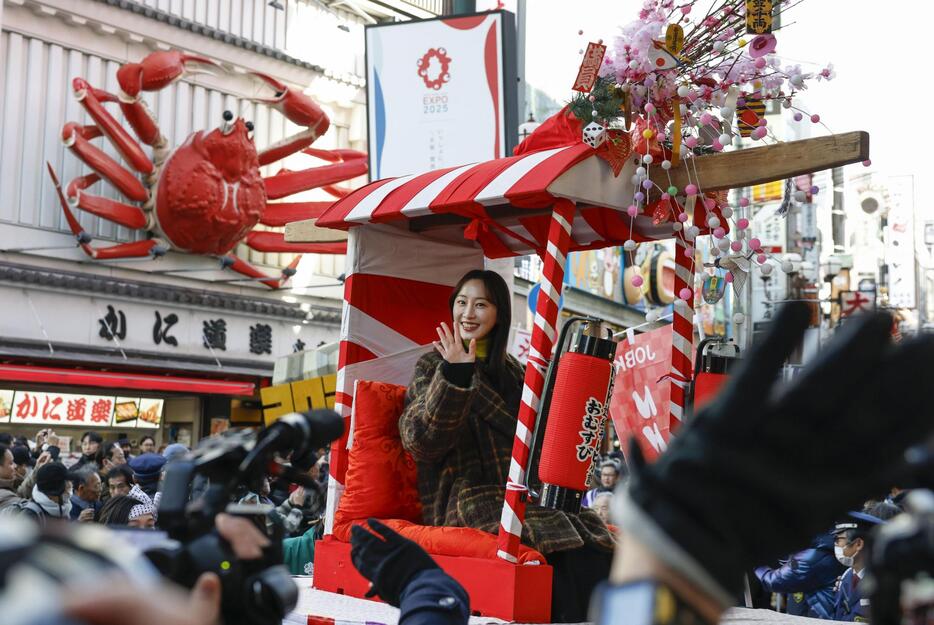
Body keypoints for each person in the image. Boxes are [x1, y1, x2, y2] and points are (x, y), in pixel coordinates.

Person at [398, 269, 614, 622]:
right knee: (566, 554)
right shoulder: (434, 363)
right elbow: (421, 442)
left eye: (480, 304)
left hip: (519, 496)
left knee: (594, 545)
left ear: (499, 313)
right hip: (466, 498)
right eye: (462, 303)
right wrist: (455, 375)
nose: (468, 314)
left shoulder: (514, 371)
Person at [753, 530, 844, 619]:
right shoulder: (819, 546)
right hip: (808, 613)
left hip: (819, 618)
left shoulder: (814, 556)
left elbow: (774, 581)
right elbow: (785, 563)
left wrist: (754, 562)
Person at [832, 511, 884, 621]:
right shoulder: (847, 576)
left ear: (858, 544)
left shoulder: (881, 582)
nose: (835, 545)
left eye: (838, 540)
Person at [0, 444, 26, 512]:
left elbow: (21, 492)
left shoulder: (11, 482)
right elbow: (29, 508)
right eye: (11, 463)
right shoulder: (4, 496)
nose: (15, 466)